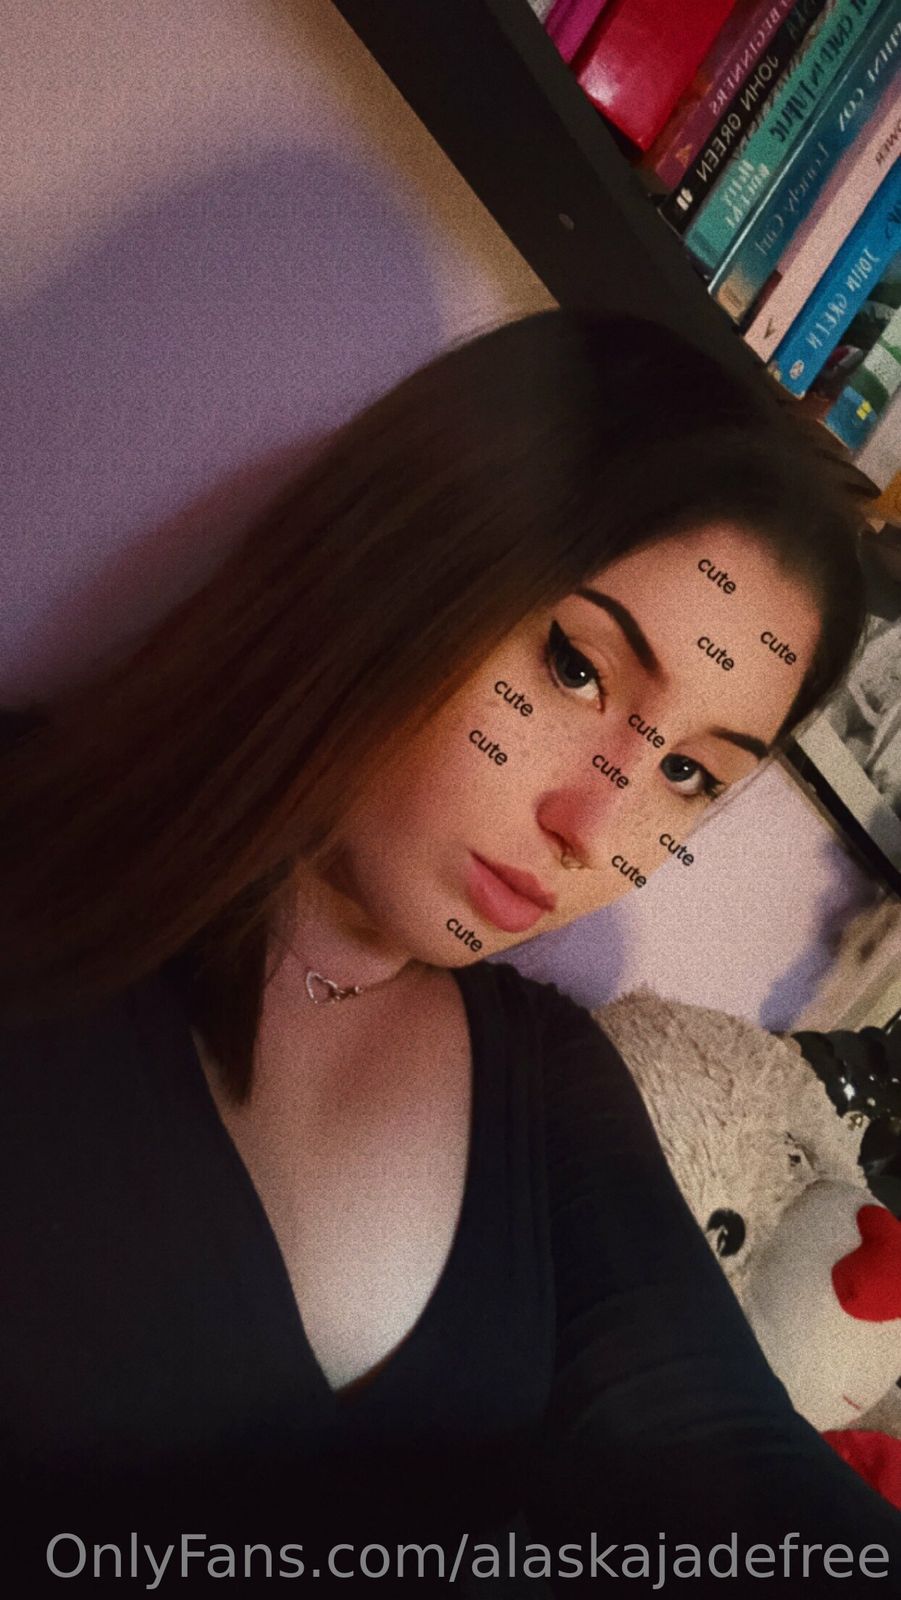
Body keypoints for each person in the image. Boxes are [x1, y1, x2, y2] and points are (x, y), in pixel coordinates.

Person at [1, 309, 899, 1596]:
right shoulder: (32, 844)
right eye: (575, 668)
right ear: (405, 556)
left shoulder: (546, 1085)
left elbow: (728, 1452)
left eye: (689, 773)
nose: (595, 826)